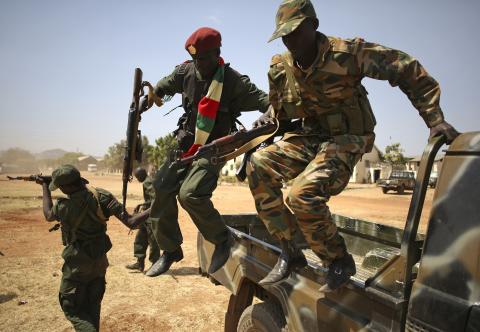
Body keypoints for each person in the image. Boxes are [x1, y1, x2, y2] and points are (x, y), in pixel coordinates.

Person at [247, 0, 459, 292]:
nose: (290, 40)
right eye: (284, 34)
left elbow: (406, 68)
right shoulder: (280, 69)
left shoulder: (348, 54)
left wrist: (434, 119)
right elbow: (280, 112)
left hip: (349, 137)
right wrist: (267, 118)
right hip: (311, 136)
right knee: (257, 164)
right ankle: (290, 250)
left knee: (302, 195)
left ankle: (338, 260)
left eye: (296, 31)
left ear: (314, 25)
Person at [145, 27, 270, 277]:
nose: (198, 64)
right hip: (184, 144)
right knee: (159, 187)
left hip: (214, 148)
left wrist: (264, 120)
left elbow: (268, 103)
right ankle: (170, 250)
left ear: (217, 54)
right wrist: (144, 103)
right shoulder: (185, 71)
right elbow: (160, 89)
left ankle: (222, 239)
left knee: (189, 194)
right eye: (195, 59)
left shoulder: (234, 82)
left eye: (203, 58)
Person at [36, 165, 147, 331]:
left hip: (77, 265)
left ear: (68, 187)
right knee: (92, 306)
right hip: (99, 262)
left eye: (61, 187)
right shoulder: (101, 196)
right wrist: (158, 206)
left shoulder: (63, 206)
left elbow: (48, 214)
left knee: (71, 307)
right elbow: (131, 222)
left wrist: (45, 186)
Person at [125, 167, 160, 272]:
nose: (137, 179)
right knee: (140, 238)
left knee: (153, 241)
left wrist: (146, 211)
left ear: (140, 175)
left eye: (137, 177)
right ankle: (140, 263)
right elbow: (150, 200)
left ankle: (155, 264)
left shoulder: (147, 182)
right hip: (146, 216)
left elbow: (156, 199)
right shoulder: (148, 180)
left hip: (151, 216)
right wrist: (141, 204)